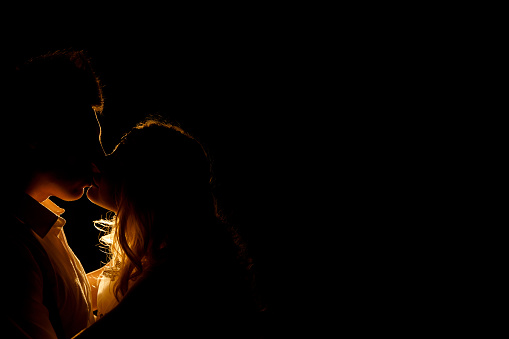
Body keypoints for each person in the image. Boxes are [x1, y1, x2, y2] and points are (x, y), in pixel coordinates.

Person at [76, 119, 265, 338]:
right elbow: (75, 291)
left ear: (143, 186)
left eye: (116, 160)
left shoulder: (173, 274)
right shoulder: (146, 254)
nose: (99, 164)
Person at [2, 50, 104, 338]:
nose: (98, 162)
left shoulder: (40, 222)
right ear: (36, 135)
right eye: (85, 143)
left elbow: (69, 299)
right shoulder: (8, 249)